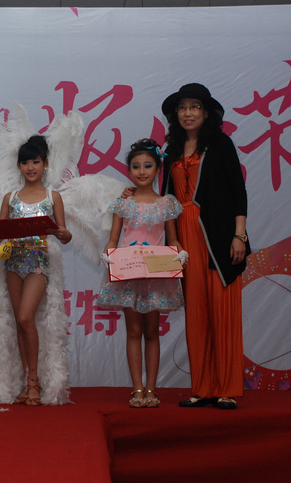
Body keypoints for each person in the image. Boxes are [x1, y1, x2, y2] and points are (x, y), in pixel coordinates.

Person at [160, 83, 251, 410]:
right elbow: (166, 200)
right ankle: (202, 387)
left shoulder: (221, 144)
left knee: (222, 311)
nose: (188, 113)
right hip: (184, 238)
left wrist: (239, 235)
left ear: (206, 112)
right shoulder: (171, 150)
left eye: (195, 106)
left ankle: (227, 388)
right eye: (183, 107)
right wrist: (172, 241)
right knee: (196, 313)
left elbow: (238, 190)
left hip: (217, 236)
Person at [0, 135, 72, 406]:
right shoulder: (11, 198)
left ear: (45, 164)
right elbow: (0, 234)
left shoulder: (53, 197)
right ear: (18, 166)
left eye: (35, 162)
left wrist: (62, 233)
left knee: (27, 317)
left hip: (38, 263)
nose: (31, 167)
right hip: (13, 263)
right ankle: (25, 383)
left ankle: (34, 382)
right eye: (25, 162)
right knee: (20, 321)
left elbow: (65, 236)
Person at [97, 139, 186, 408]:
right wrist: (108, 254)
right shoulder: (123, 203)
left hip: (156, 275)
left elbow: (172, 238)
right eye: (136, 166)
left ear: (158, 169)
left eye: (148, 165)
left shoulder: (167, 204)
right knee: (133, 331)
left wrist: (180, 253)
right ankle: (137, 389)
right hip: (129, 274)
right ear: (129, 171)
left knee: (152, 332)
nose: (142, 171)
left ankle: (151, 389)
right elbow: (113, 240)